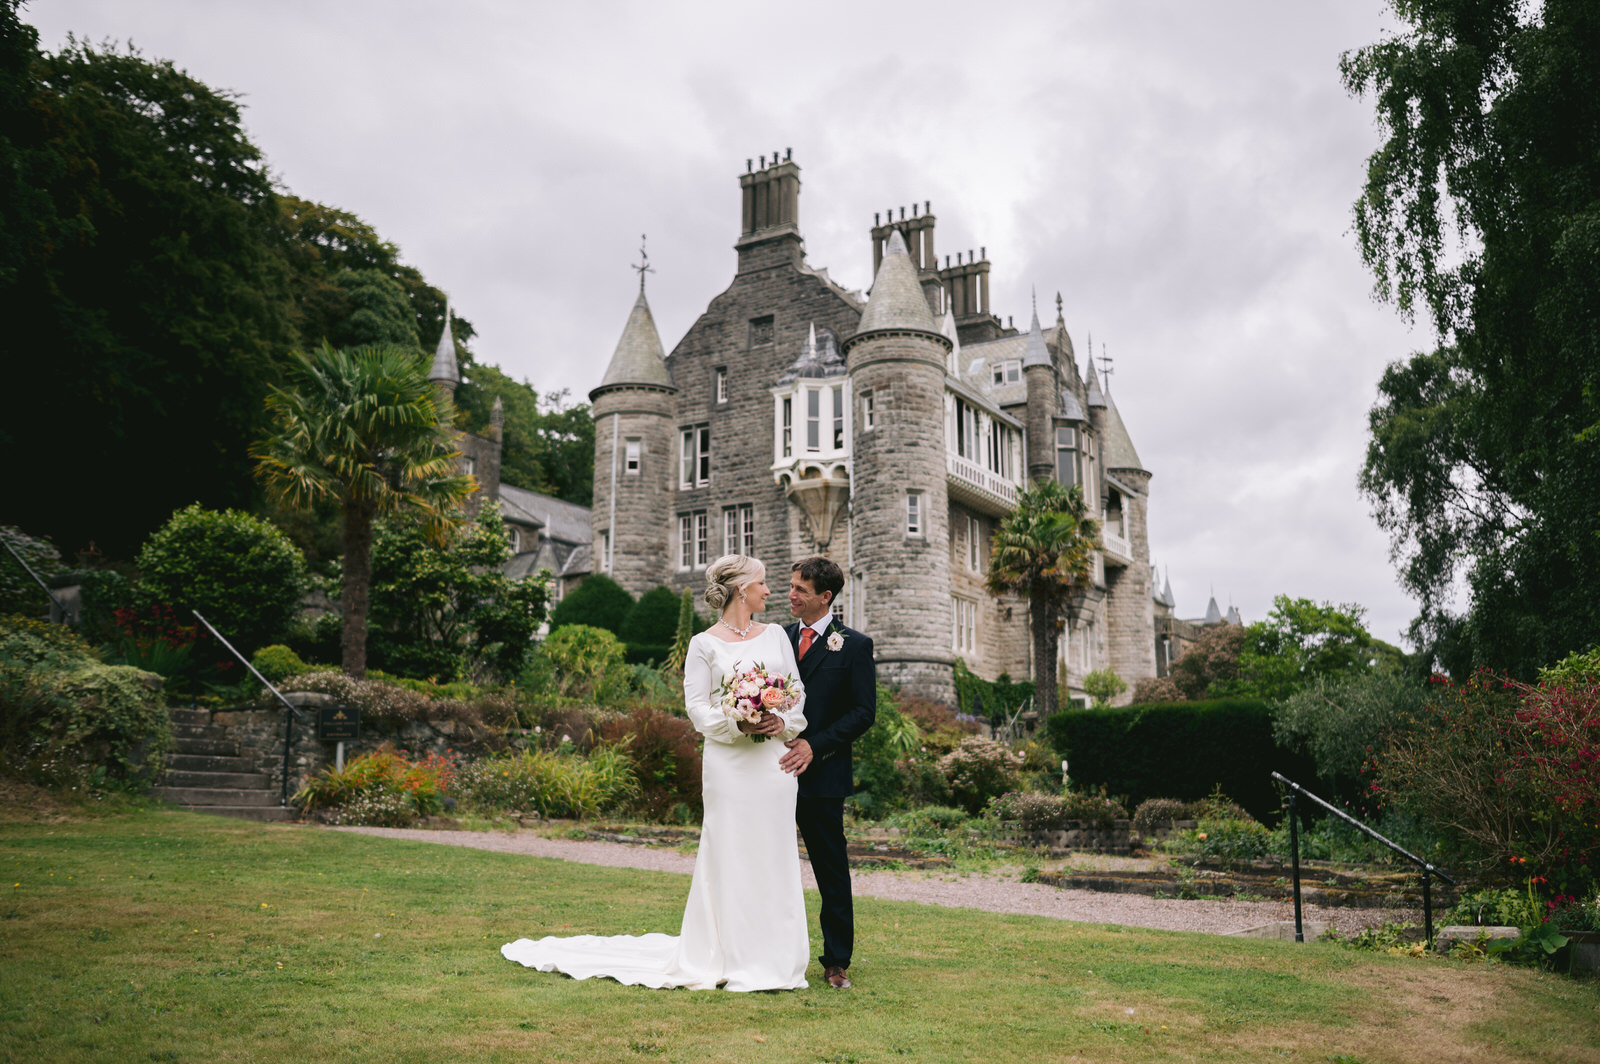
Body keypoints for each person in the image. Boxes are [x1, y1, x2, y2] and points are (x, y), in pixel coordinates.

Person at [501, 555, 810, 991]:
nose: (770, 591)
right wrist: (737, 721)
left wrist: (784, 721)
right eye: (763, 583)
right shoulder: (704, 644)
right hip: (728, 764)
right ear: (742, 588)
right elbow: (698, 708)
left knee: (774, 854)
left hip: (771, 764)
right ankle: (729, 953)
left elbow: (796, 694)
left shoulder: (777, 635)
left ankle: (776, 959)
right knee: (730, 851)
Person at [780, 556, 876, 990]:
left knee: (831, 871)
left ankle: (836, 960)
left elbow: (863, 712)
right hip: (771, 773)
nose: (791, 595)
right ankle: (767, 951)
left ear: (825, 596)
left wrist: (814, 746)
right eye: (791, 586)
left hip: (822, 778)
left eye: (800, 589)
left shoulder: (853, 645)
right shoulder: (776, 639)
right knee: (765, 863)